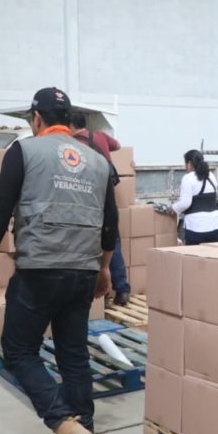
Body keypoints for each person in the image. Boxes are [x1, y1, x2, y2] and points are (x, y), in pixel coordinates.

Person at [0, 87, 118, 434]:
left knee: (18, 350)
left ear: (36, 118)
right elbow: (111, 223)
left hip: (40, 269)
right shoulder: (97, 161)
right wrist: (104, 268)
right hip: (83, 270)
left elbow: (0, 207)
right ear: (69, 120)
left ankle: (63, 425)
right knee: (73, 353)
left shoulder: (23, 151)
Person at [71, 111, 131, 307]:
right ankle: (122, 290)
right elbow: (118, 145)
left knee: (92, 246)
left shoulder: (71, 144)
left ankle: (101, 295)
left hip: (89, 198)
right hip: (108, 195)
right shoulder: (99, 135)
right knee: (113, 243)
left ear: (70, 126)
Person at [171, 150, 218, 245]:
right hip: (216, 227)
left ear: (189, 164)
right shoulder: (211, 175)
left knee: (193, 254)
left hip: (196, 229)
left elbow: (185, 203)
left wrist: (173, 208)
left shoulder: (188, 178)